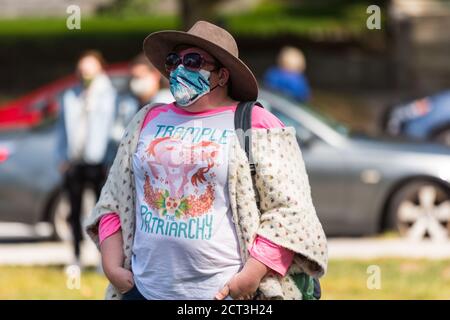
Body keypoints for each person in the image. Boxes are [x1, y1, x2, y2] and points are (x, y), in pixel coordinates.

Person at [85, 21, 327, 300]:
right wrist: (112, 266)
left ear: (222, 75)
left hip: (226, 294)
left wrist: (251, 276)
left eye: (192, 60)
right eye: (174, 60)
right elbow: (114, 200)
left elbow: (290, 211)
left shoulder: (255, 124)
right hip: (145, 291)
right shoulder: (146, 119)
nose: (179, 69)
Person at [57, 50, 117, 264]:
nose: (86, 73)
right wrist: (62, 156)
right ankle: (76, 255)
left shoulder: (109, 93)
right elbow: (62, 129)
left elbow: (113, 129)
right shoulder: (71, 94)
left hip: (99, 161)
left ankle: (105, 259)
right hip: (75, 161)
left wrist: (111, 160)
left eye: (90, 69)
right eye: (82, 69)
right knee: (74, 211)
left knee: (103, 212)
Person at [108, 54, 173, 164]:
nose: (136, 82)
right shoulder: (127, 103)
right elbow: (116, 131)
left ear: (155, 75)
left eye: (140, 77)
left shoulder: (168, 102)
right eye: (133, 77)